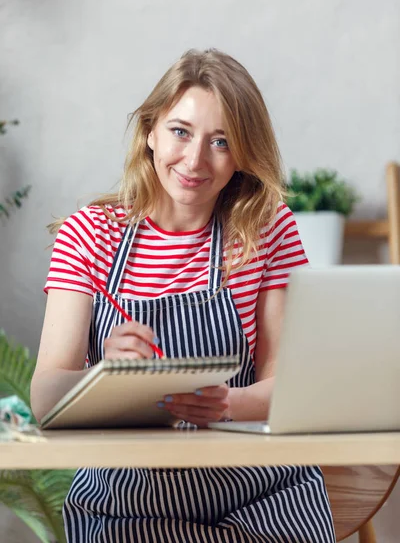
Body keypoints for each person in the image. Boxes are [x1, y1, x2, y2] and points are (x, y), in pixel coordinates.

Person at [31, 49, 335, 542]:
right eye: (180, 131)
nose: (195, 160)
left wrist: (226, 404)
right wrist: (104, 381)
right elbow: (45, 398)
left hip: (265, 504)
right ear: (149, 132)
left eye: (221, 141)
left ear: (243, 154)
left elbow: (294, 388)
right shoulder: (88, 233)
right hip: (127, 510)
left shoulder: (267, 229)